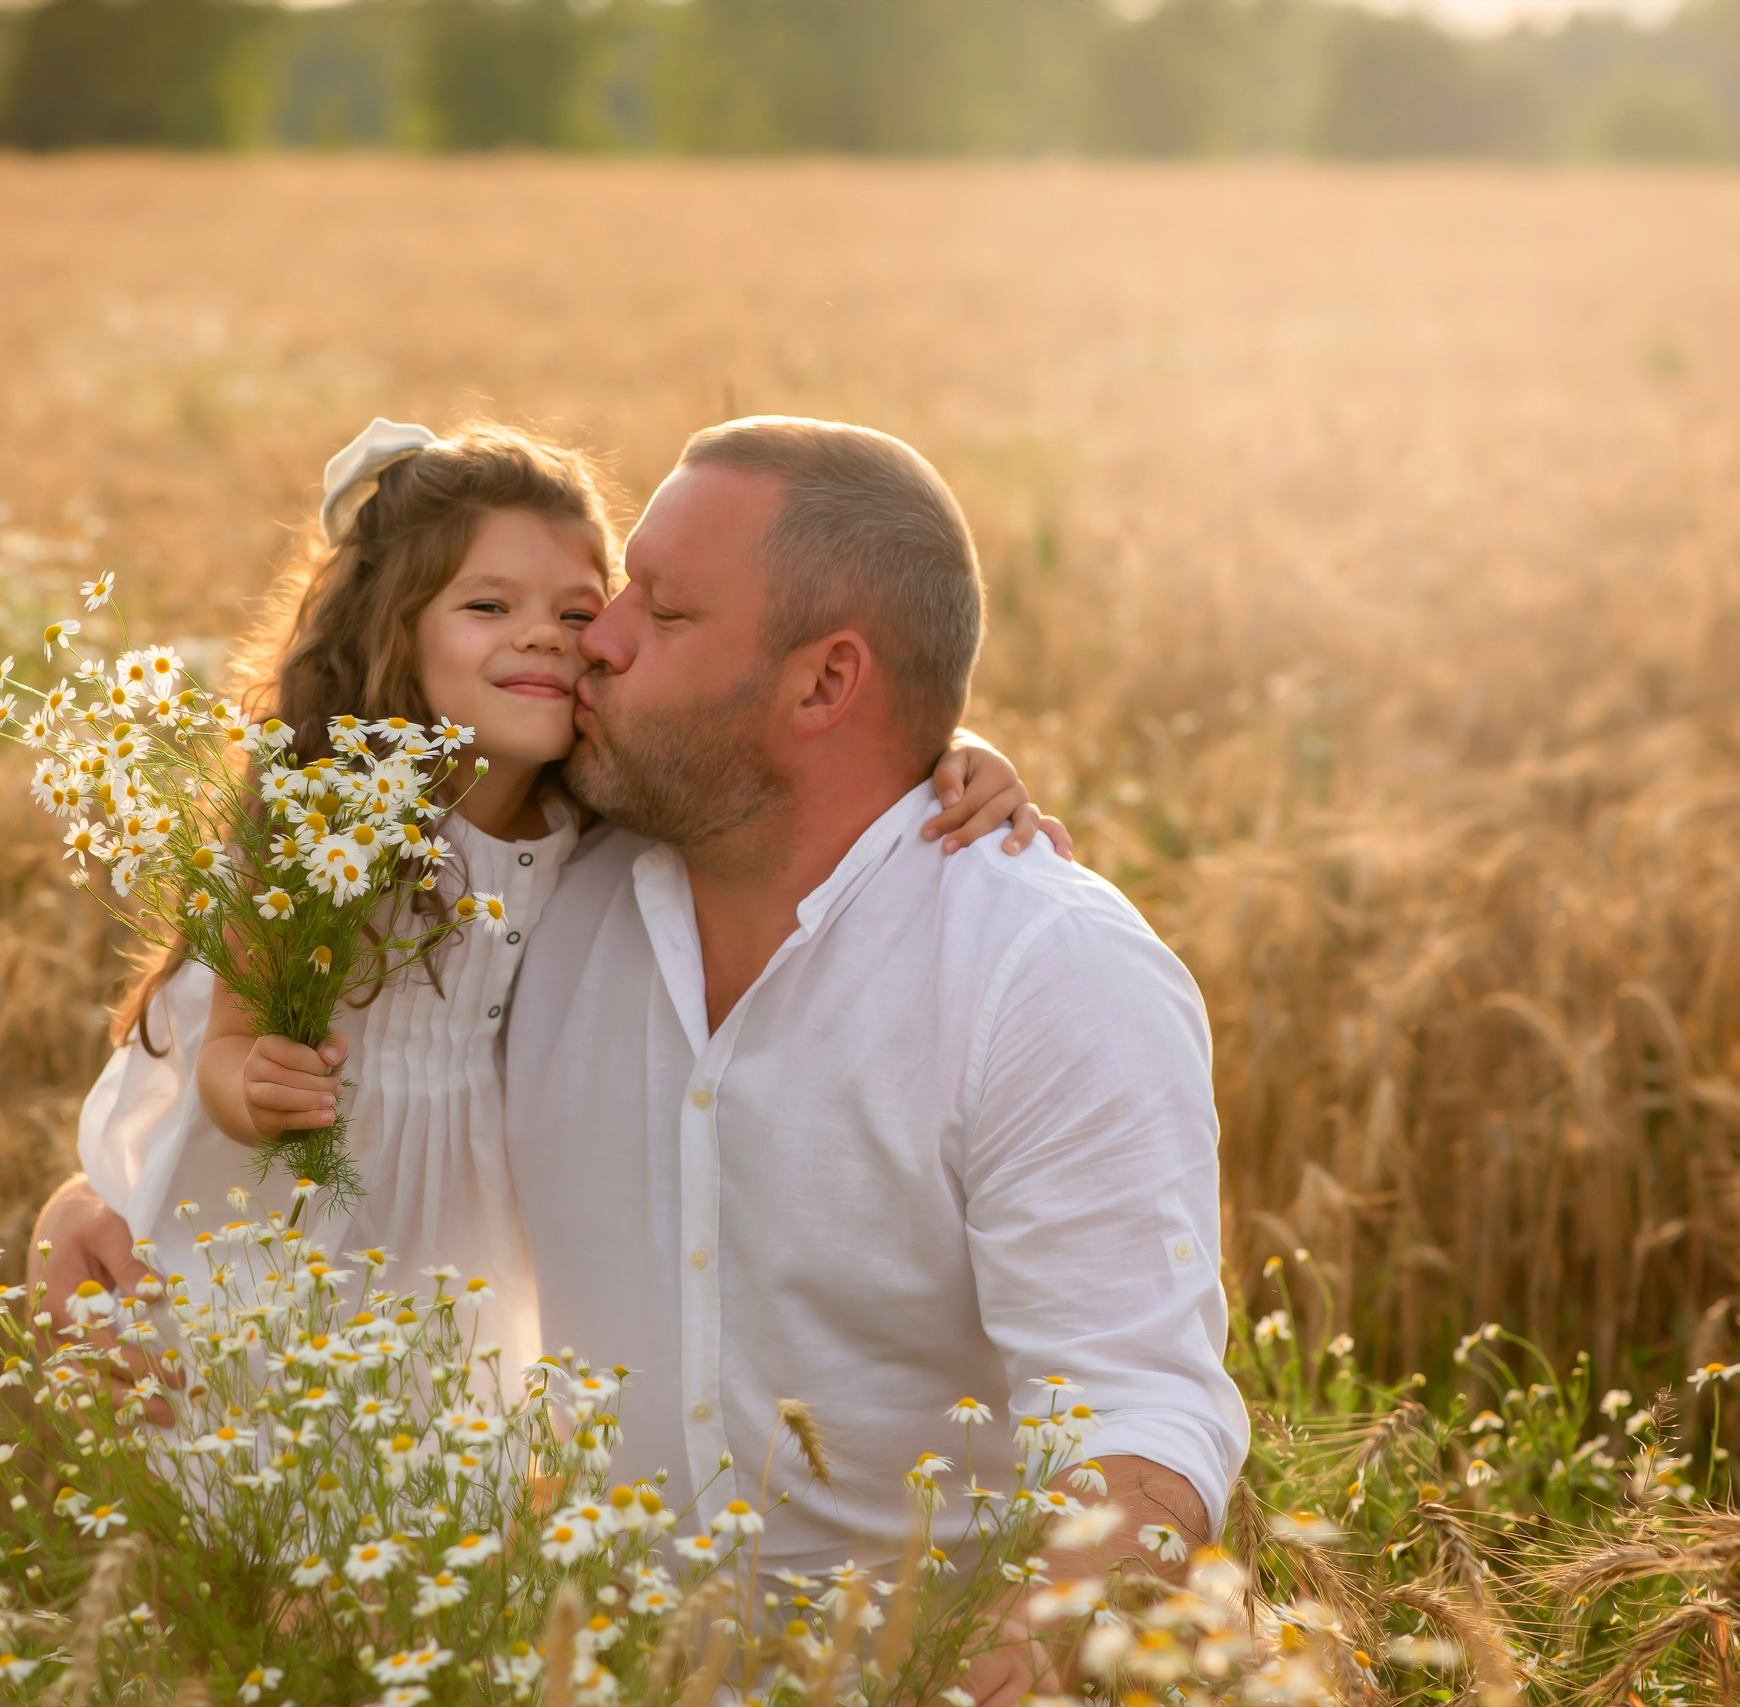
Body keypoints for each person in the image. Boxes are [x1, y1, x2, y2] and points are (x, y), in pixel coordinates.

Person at [42, 418, 1063, 1382]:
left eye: (578, 613)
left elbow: (798, 762)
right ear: (392, 634)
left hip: (455, 1242)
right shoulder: (322, 818)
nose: (543, 637)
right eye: (487, 608)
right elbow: (226, 1039)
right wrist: (252, 1087)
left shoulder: (594, 816)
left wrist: (957, 755)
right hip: (287, 1214)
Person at [504, 417, 1246, 1706]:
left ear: (825, 685)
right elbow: (296, 995)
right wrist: (110, 1180)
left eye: (663, 611)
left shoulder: (1044, 975)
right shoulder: (529, 885)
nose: (597, 638)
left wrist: (1017, 1650)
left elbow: (1138, 1416)